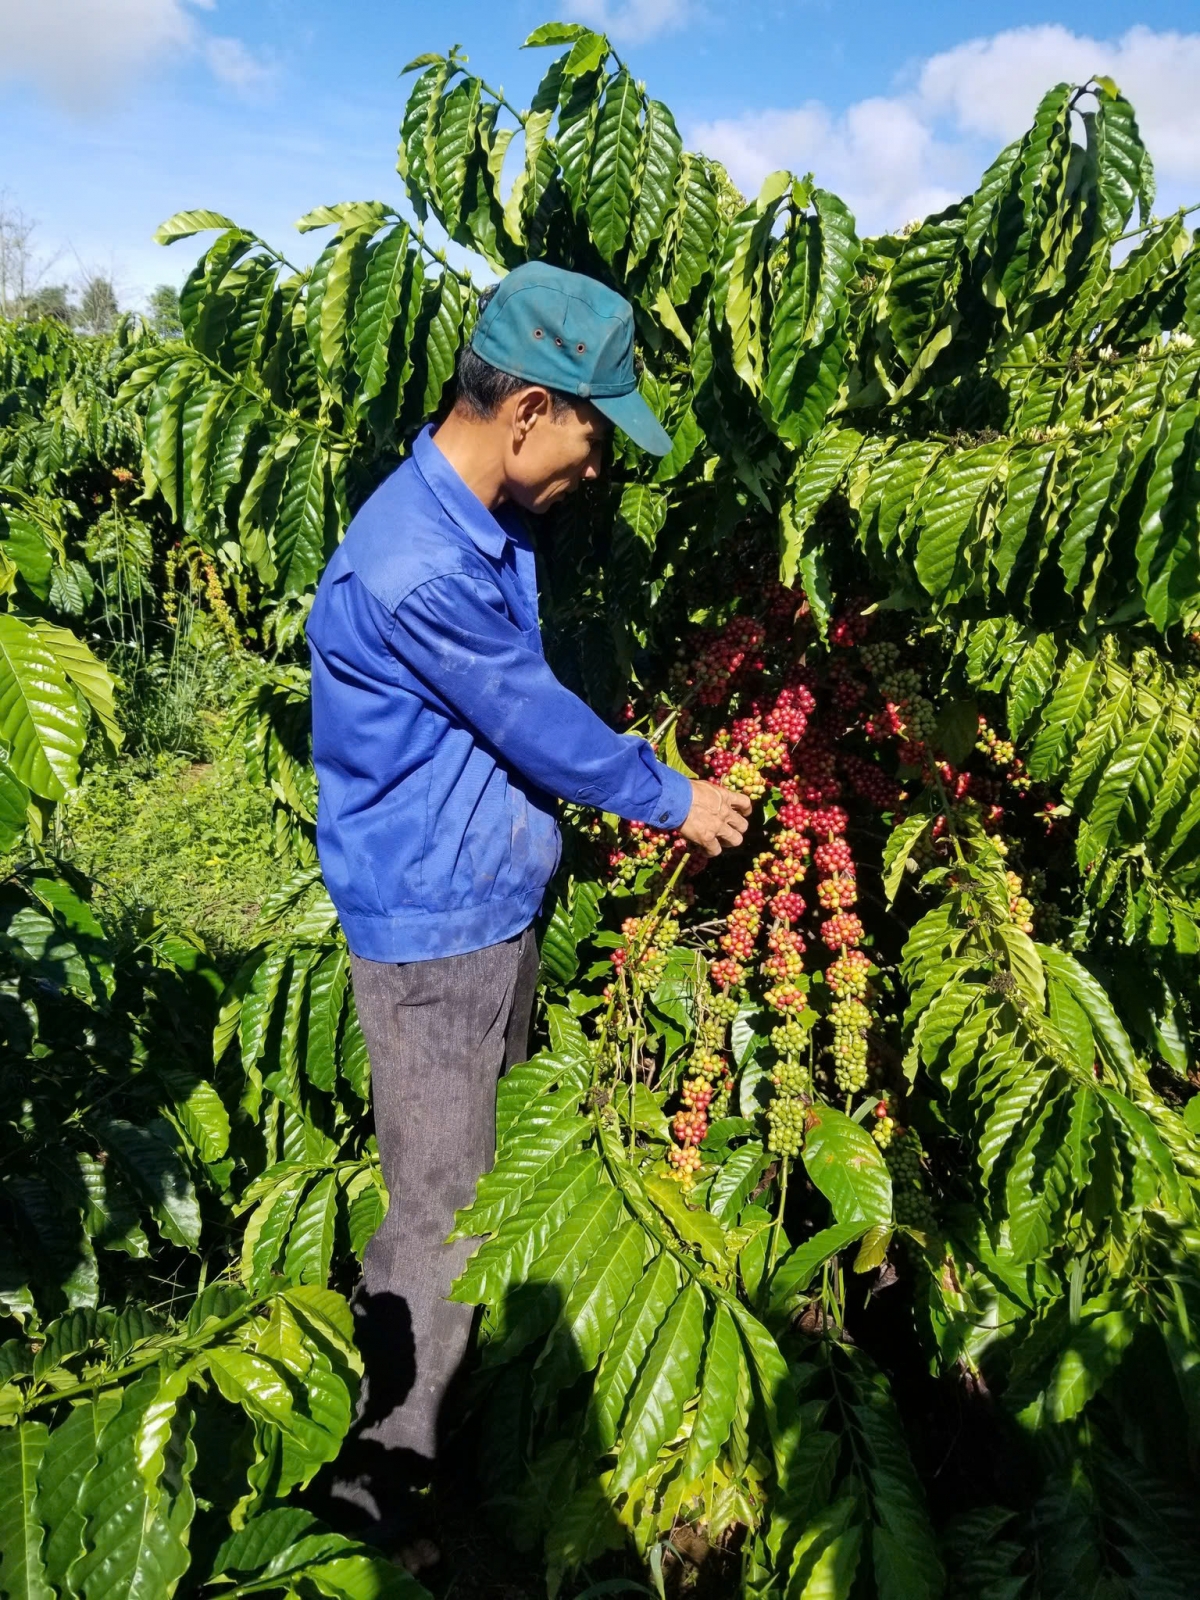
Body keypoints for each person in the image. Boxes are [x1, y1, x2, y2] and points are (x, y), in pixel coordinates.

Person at [306, 260, 750, 1546]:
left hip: (481, 916)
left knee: (472, 1186)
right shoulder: (417, 566)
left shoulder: (473, 522)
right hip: (437, 940)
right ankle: (378, 1491)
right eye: (593, 431)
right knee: (441, 1212)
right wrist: (677, 799)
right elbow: (535, 721)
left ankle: (444, 1421)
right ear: (526, 414)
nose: (598, 463)